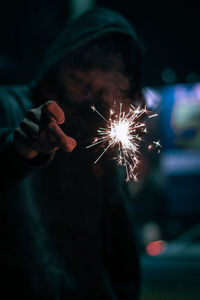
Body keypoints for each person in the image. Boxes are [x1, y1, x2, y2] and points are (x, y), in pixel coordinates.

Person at [0, 7, 144, 300]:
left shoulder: (102, 143)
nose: (93, 79)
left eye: (109, 68)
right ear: (63, 59)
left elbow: (120, 237)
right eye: (87, 63)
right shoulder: (7, 105)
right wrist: (22, 151)